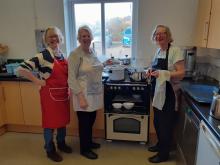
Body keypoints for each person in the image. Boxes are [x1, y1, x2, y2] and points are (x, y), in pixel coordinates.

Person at [17, 26, 72, 162]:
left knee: (62, 122)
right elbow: (21, 69)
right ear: (46, 40)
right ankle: (49, 149)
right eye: (50, 37)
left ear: (61, 38)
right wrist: (37, 81)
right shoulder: (43, 55)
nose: (53, 38)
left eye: (56, 36)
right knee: (49, 124)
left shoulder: (62, 55)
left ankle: (61, 143)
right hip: (49, 96)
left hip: (63, 94)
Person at [68, 25, 112, 160]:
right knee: (84, 122)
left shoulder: (91, 51)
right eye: (83, 36)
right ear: (79, 38)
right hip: (82, 93)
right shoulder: (75, 54)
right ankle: (84, 149)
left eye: (88, 36)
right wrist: (80, 97)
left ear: (91, 37)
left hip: (93, 92)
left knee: (91, 119)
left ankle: (89, 142)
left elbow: (95, 67)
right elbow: (71, 78)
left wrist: (105, 64)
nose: (86, 38)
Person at [146, 25, 185, 163]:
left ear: (168, 36)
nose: (159, 36)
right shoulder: (158, 51)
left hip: (169, 94)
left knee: (165, 124)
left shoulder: (175, 51)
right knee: (157, 122)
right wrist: (151, 70)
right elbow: (157, 69)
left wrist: (164, 73)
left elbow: (181, 73)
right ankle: (160, 145)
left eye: (162, 33)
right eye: (157, 34)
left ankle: (164, 154)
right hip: (158, 92)